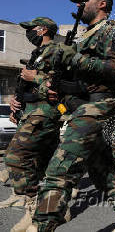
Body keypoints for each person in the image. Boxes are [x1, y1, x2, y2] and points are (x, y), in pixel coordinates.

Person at [28, 0, 115, 232]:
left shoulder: (113, 31)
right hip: (81, 105)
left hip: (100, 105)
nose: (79, 5)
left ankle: (41, 226)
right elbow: (72, 78)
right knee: (101, 169)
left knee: (60, 169)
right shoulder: (84, 37)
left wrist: (73, 59)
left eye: (84, 0)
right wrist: (51, 86)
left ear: (101, 4)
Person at [1, 18, 64, 230]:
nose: (29, 33)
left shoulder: (56, 50)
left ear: (43, 29)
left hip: (44, 112)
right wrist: (16, 102)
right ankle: (48, 211)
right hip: (31, 111)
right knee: (41, 165)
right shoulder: (37, 53)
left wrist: (34, 77)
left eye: (31, 29)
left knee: (15, 156)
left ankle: (34, 206)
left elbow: (61, 84)